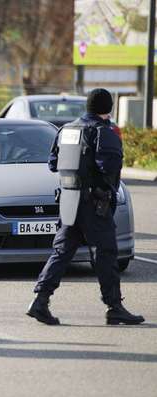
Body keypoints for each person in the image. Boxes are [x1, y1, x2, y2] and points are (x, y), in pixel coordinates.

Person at [27, 88, 144, 326]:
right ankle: (114, 307)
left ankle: (40, 301)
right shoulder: (103, 131)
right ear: (108, 108)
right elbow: (108, 166)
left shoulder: (67, 130)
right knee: (107, 253)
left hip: (70, 202)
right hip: (94, 204)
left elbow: (53, 164)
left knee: (62, 252)